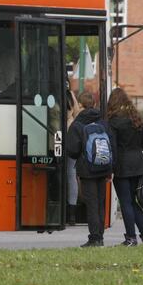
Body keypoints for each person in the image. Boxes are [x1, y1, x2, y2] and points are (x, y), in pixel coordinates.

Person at [67, 91, 114, 248]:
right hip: (103, 167)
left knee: (92, 204)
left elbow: (72, 150)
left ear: (80, 105)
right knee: (100, 203)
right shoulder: (103, 122)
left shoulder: (77, 124)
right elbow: (111, 146)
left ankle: (94, 238)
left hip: (87, 170)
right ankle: (100, 235)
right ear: (94, 104)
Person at [107, 88, 143, 246]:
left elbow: (112, 146)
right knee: (133, 202)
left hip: (122, 166)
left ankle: (131, 238)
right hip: (139, 166)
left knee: (125, 202)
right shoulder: (138, 118)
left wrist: (110, 168)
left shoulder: (114, 121)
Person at [66, 90, 81, 225]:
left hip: (52, 140)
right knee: (71, 174)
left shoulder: (44, 89)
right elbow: (77, 114)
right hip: (70, 138)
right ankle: (71, 214)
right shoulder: (69, 94)